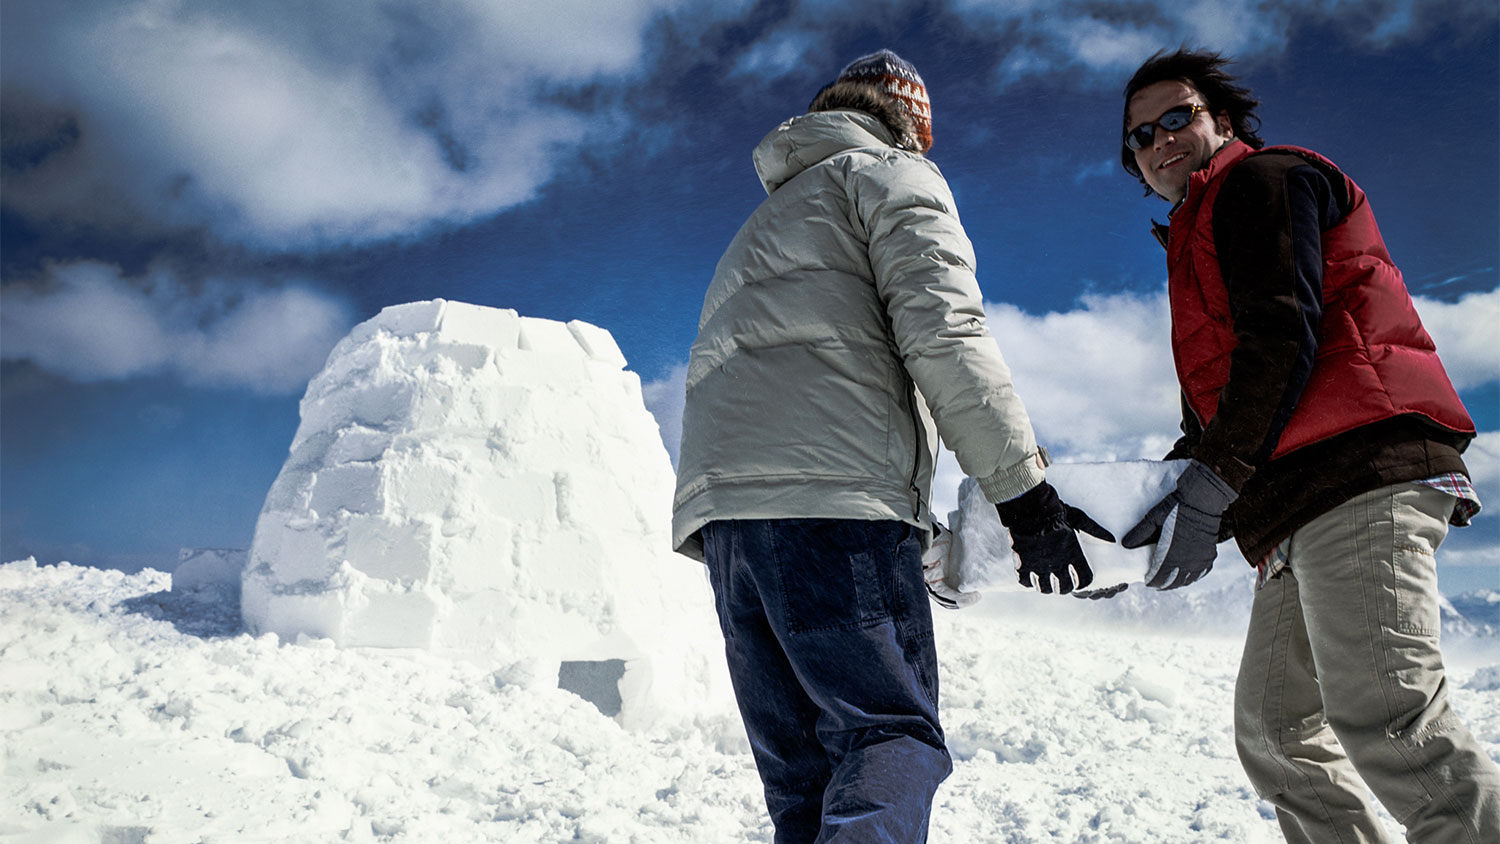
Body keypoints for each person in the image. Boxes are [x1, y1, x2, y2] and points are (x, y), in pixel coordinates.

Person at [671, 49, 1111, 842]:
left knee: (804, 784)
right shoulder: (892, 177)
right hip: (837, 514)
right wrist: (1024, 494)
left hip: (730, 528)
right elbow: (945, 333)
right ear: (912, 128)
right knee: (889, 737)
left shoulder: (761, 223)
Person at [1117, 48, 1499, 843]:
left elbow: (1283, 337)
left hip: (1355, 474)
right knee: (1276, 733)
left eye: (1178, 115)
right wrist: (1143, 518)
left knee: (1393, 726)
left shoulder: (1259, 182)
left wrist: (1214, 485)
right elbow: (1222, 404)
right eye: (1142, 135)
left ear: (1222, 121)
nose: (1161, 139)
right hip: (1294, 507)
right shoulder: (1193, 238)